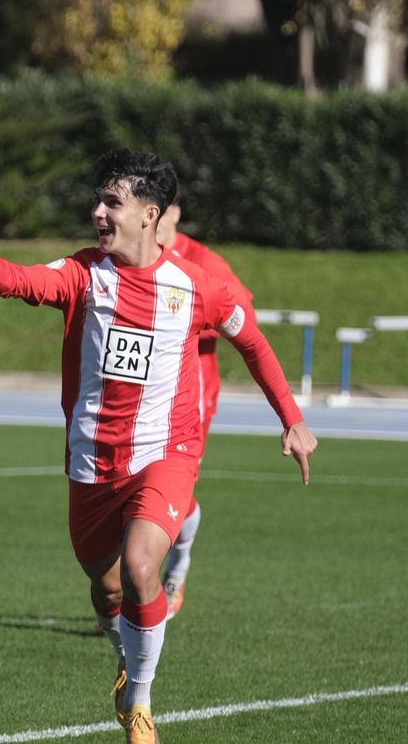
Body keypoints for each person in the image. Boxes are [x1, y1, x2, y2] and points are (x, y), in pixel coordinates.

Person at [0, 149, 317, 744]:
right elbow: (19, 282)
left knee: (138, 567)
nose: (97, 212)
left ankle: (140, 705)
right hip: (91, 461)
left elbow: (252, 342)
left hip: (167, 453)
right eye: (99, 200)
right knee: (105, 587)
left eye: (113, 202)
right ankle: (126, 659)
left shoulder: (195, 287)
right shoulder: (84, 274)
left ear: (150, 214)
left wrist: (291, 418)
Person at [152, 183, 257, 620]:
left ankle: (175, 566)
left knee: (173, 488)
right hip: (138, 388)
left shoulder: (203, 262)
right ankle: (130, 595)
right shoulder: (122, 257)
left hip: (191, 388)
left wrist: (189, 320)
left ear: (173, 211)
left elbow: (244, 315)